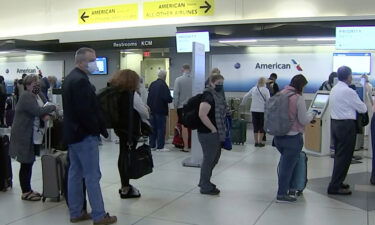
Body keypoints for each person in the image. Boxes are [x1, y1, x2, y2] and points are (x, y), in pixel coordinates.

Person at [62, 47, 117, 224]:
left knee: (75, 174)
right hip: (85, 135)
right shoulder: (81, 81)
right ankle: (99, 215)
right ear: (81, 61)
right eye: (92, 60)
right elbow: (86, 112)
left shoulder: (70, 78)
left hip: (73, 134)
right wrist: (98, 130)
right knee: (92, 176)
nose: (95, 64)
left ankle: (76, 212)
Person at [9, 74, 56, 201]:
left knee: (29, 162)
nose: (36, 86)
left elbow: (43, 106)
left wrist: (47, 110)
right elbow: (38, 111)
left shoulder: (37, 95)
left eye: (37, 83)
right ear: (27, 85)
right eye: (33, 84)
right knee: (26, 162)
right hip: (23, 134)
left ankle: (28, 189)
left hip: (32, 134)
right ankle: (25, 191)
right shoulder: (26, 96)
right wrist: (53, 107)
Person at [274, 74, 316, 203]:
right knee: (287, 168)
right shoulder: (298, 98)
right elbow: (303, 120)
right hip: (292, 138)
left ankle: (291, 189)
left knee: (287, 165)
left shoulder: (280, 94)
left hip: (278, 137)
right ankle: (281, 195)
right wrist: (312, 114)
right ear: (301, 86)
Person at [109, 69, 150, 199]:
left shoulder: (116, 92)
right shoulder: (132, 94)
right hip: (130, 129)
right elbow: (144, 113)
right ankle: (126, 187)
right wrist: (146, 109)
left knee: (123, 154)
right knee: (127, 156)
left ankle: (124, 185)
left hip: (120, 128)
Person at [328, 66, 367, 195]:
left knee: (340, 156)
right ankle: (334, 186)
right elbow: (362, 108)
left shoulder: (334, 89)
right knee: (344, 157)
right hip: (346, 127)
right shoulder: (348, 91)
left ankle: (337, 182)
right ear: (349, 76)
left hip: (336, 125)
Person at [198, 74, 227, 195]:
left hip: (214, 132)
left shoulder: (217, 95)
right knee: (209, 159)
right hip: (208, 133)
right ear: (211, 83)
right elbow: (202, 114)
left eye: (222, 83)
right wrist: (213, 129)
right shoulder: (208, 95)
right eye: (218, 83)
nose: (220, 85)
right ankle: (205, 186)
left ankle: (205, 181)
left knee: (214, 158)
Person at [147, 70, 173, 152]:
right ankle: (160, 146)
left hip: (151, 110)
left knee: (152, 128)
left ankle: (152, 145)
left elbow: (149, 97)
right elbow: (167, 98)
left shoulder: (152, 84)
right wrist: (171, 99)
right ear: (165, 77)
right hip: (160, 110)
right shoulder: (164, 85)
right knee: (160, 128)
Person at [241, 77, 270, 147]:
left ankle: (256, 142)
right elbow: (269, 100)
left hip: (254, 110)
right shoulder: (265, 90)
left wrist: (242, 103)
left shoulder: (253, 89)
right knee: (262, 126)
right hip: (262, 110)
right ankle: (260, 142)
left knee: (255, 126)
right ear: (264, 82)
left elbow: (246, 96)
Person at [173, 64, 193, 152]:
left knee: (184, 126)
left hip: (182, 107)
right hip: (193, 106)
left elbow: (176, 94)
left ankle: (185, 146)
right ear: (189, 70)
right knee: (193, 125)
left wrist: (175, 106)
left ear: (182, 70)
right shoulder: (194, 80)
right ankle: (193, 144)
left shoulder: (178, 80)